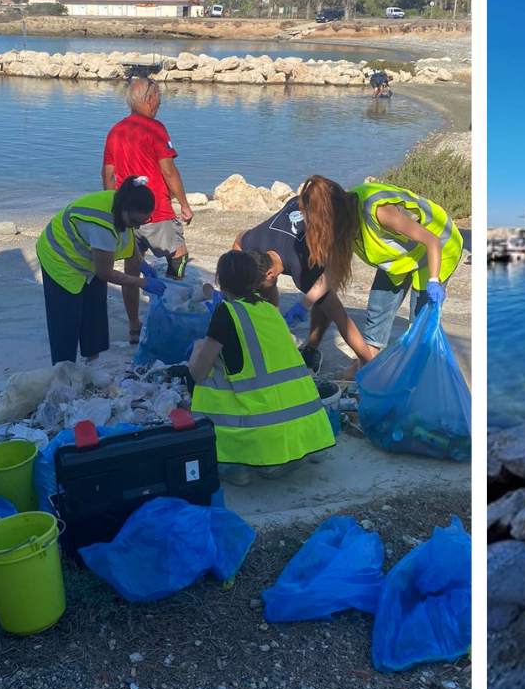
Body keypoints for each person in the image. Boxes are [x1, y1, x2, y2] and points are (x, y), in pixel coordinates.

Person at [188, 250, 336, 487]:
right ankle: (276, 459)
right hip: (300, 427)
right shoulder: (270, 310)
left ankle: (233, 463)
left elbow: (198, 371)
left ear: (221, 282)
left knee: (207, 375)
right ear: (256, 281)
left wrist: (198, 347)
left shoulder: (226, 312)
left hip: (258, 428)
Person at [288, 175, 464, 367]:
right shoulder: (341, 224)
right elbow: (329, 274)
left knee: (420, 323)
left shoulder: (379, 211)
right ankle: (368, 361)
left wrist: (433, 281)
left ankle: (418, 372)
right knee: (377, 312)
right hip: (399, 259)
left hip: (437, 249)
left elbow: (432, 241)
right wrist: (303, 304)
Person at [232, 189, 380, 375]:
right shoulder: (251, 242)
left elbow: (342, 320)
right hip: (299, 204)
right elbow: (238, 240)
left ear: (270, 274)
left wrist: (368, 363)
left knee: (324, 298)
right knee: (270, 292)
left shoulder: (304, 271)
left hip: (332, 219)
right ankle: (278, 331)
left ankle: (311, 348)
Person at [37, 178, 167, 365]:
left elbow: (128, 236)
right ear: (123, 209)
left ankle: (92, 363)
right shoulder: (102, 225)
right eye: (134, 221)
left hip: (87, 259)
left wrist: (142, 264)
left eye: (142, 222)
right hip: (59, 258)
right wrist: (143, 283)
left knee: (95, 310)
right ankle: (63, 370)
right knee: (66, 317)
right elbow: (105, 273)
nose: (137, 227)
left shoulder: (124, 204)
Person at [102, 78, 193, 340]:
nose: (160, 104)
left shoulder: (115, 131)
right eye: (159, 99)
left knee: (132, 269)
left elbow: (108, 175)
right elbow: (169, 170)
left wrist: (115, 209)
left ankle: (134, 326)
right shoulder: (155, 129)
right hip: (156, 211)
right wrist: (184, 205)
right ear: (149, 98)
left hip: (127, 214)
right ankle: (169, 315)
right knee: (179, 256)